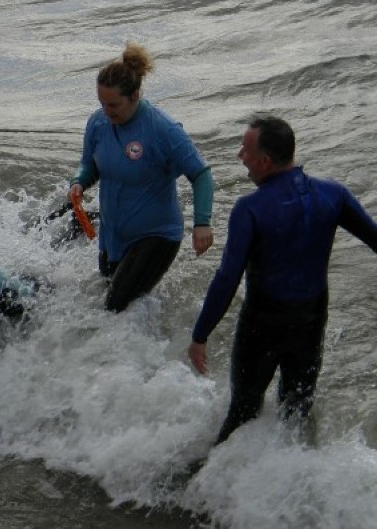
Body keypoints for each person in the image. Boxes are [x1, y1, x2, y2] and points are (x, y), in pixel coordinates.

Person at [188, 116, 377, 444]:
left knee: (243, 413)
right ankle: (294, 486)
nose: (239, 157)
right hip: (311, 320)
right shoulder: (334, 194)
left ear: (265, 161)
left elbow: (227, 278)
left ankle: (207, 487)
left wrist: (200, 335)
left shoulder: (250, 208)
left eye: (245, 151)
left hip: (263, 325)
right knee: (297, 412)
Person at [68, 42, 215, 312]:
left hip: (156, 236)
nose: (107, 111)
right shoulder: (98, 123)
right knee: (115, 304)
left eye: (114, 105)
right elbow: (90, 164)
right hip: (113, 236)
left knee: (114, 308)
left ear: (135, 95)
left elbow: (202, 174)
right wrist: (79, 181)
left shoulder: (162, 128)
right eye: (102, 103)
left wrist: (202, 223)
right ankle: (155, 334)